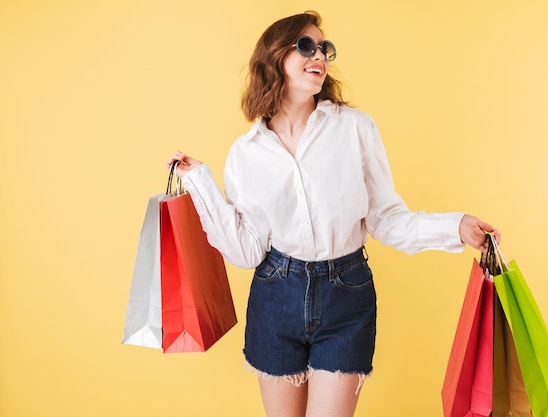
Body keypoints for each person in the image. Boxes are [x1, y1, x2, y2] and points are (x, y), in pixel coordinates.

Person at [166, 11, 500, 417]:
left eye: (325, 48)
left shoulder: (355, 129)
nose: (320, 55)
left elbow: (387, 219)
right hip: (276, 294)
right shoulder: (246, 153)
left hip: (347, 293)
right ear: (274, 58)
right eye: (307, 46)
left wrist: (456, 227)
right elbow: (246, 251)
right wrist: (200, 181)